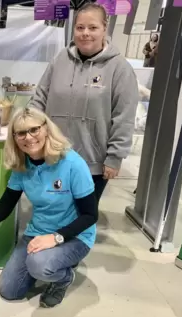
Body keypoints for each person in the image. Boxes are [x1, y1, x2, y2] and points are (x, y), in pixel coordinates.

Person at [0, 107, 98, 308]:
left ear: (46, 129)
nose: (28, 137)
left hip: (74, 236)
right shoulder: (22, 165)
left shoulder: (72, 163)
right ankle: (48, 262)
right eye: (20, 133)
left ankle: (62, 277)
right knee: (10, 291)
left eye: (34, 130)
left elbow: (90, 215)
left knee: (39, 265)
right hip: (37, 233)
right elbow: (5, 206)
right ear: (14, 138)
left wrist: (55, 238)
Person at [28, 3, 139, 203]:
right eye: (80, 28)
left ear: (105, 28)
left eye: (93, 27)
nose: (85, 33)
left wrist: (114, 157)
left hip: (92, 162)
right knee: (51, 210)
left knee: (81, 218)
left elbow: (124, 117)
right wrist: (31, 136)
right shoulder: (60, 60)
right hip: (53, 155)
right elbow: (39, 99)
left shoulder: (119, 68)